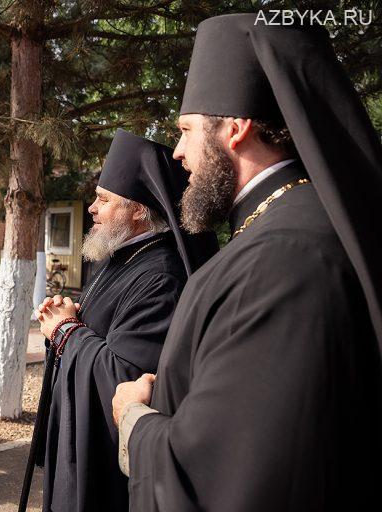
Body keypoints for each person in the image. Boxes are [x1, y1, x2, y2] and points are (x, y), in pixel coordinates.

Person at [113, 14, 382, 512]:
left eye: (187, 131)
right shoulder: (285, 226)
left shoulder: (283, 259)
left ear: (235, 129)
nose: (177, 152)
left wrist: (134, 419)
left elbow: (226, 474)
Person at [34, 131, 217, 512]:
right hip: (80, 442)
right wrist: (67, 317)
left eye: (103, 200)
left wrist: (66, 331)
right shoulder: (114, 256)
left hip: (106, 462)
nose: (92, 209)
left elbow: (124, 375)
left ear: (137, 210)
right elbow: (97, 329)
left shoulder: (161, 276)